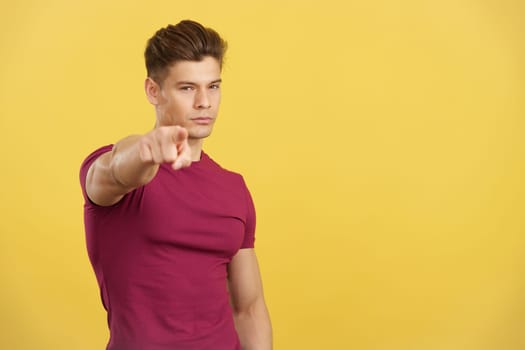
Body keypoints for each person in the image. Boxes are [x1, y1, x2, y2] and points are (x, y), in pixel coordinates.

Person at [79, 20, 272, 350]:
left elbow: (248, 309)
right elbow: (113, 171)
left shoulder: (234, 188)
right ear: (153, 91)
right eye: (187, 88)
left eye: (213, 86)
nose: (204, 102)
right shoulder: (119, 172)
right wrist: (146, 150)